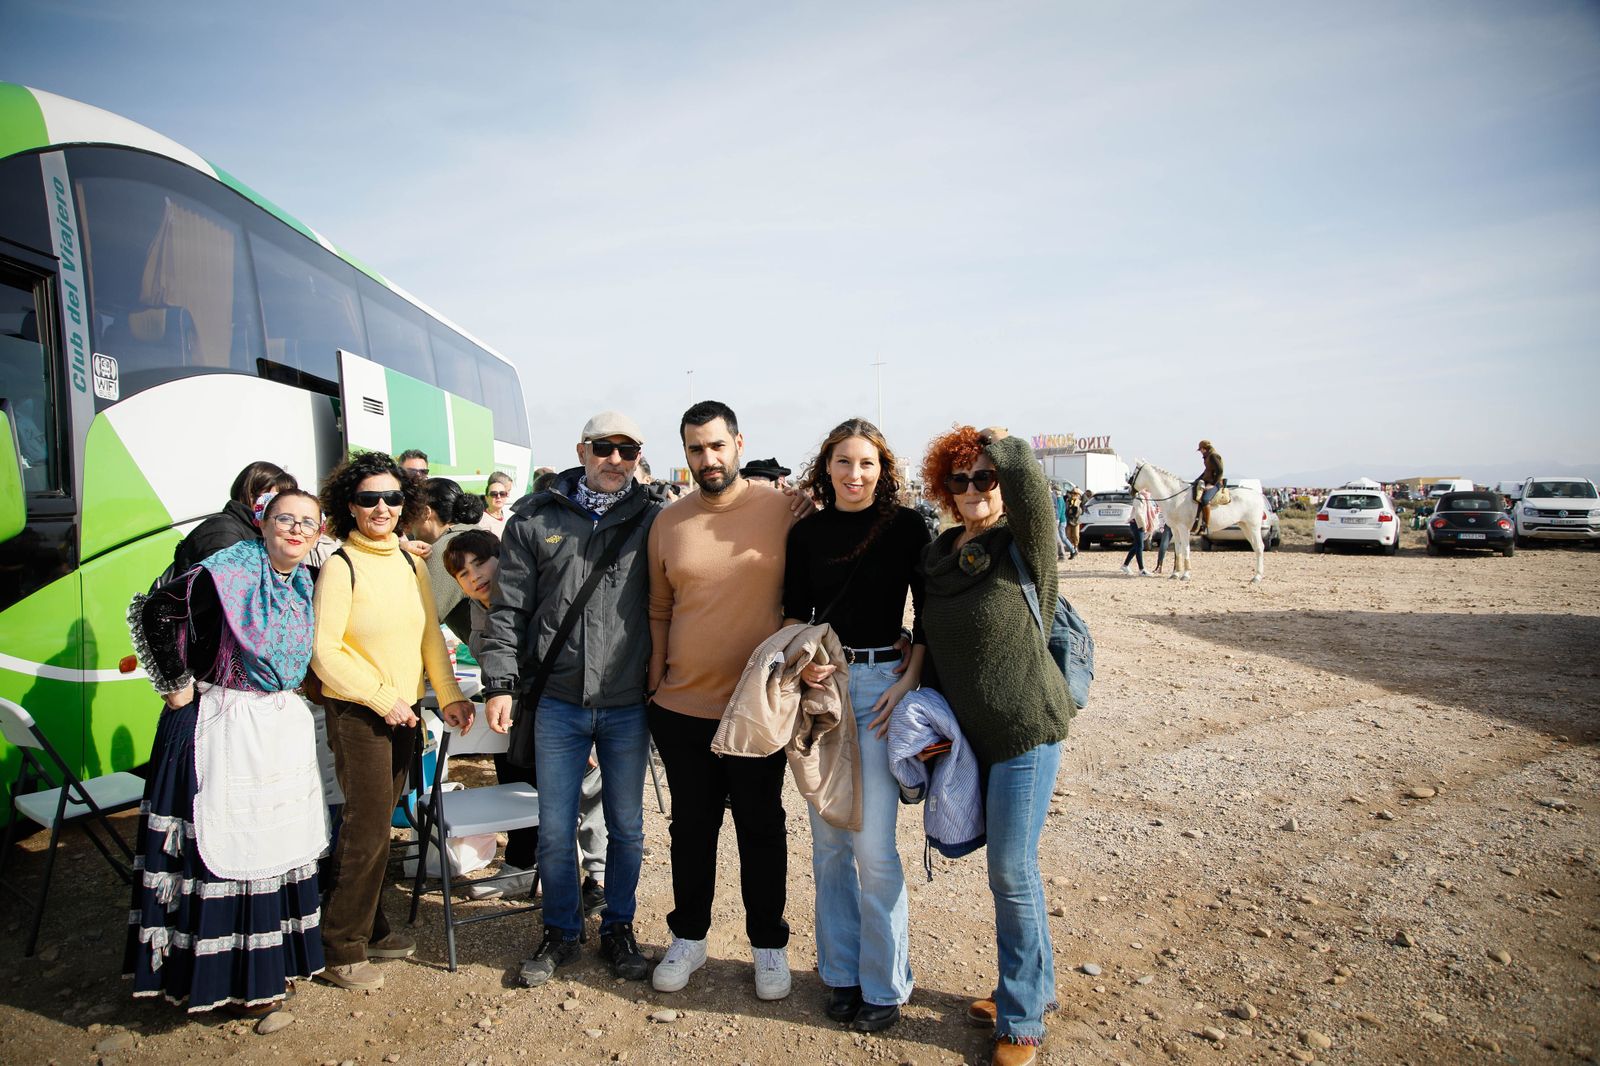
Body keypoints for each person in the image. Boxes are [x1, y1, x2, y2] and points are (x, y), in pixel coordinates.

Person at [125, 489, 329, 1015]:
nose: (297, 530)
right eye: (286, 519)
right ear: (263, 523)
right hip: (226, 722)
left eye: (308, 522)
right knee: (228, 844)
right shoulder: (228, 569)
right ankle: (217, 981)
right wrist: (174, 682)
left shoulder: (301, 578)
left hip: (275, 723)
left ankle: (266, 972)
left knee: (274, 841)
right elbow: (155, 610)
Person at [479, 411, 660, 987]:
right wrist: (501, 683)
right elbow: (507, 609)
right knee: (555, 829)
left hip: (628, 701)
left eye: (627, 450)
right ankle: (560, 930)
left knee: (627, 828)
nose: (615, 460)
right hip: (557, 701)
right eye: (604, 448)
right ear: (582, 450)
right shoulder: (535, 519)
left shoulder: (657, 518)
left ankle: (617, 928)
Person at [919, 425, 1074, 1066]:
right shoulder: (938, 554)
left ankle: (1022, 1018)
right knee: (1013, 871)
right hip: (971, 738)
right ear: (946, 490)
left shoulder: (1023, 546)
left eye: (987, 477)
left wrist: (999, 446)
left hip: (1025, 728)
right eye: (963, 478)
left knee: (1010, 870)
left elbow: (1036, 498)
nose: (976, 488)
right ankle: (1036, 986)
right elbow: (932, 640)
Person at [646, 400, 798, 1000]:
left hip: (757, 710)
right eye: (694, 449)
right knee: (692, 829)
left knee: (763, 829)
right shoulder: (669, 521)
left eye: (715, 446)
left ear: (738, 443)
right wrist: (657, 681)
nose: (706, 459)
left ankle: (769, 947)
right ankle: (689, 938)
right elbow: (660, 609)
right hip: (682, 709)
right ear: (684, 455)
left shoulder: (783, 509)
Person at [783, 418, 928, 1032]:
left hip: (879, 691)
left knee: (874, 847)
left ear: (882, 468)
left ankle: (885, 984)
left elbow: (930, 614)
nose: (854, 474)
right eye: (843, 462)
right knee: (830, 845)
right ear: (827, 467)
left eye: (866, 463)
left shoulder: (905, 527)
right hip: (824, 689)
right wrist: (804, 662)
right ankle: (839, 974)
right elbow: (792, 614)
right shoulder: (806, 532)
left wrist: (908, 680)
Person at [311, 451, 473, 992]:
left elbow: (430, 635)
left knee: (384, 825)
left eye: (392, 498)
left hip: (404, 713)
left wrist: (447, 695)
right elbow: (324, 653)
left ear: (406, 503)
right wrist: (384, 699)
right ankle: (341, 945)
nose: (381, 507)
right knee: (367, 828)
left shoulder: (409, 563)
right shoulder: (341, 565)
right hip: (360, 714)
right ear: (348, 506)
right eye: (367, 499)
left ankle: (373, 926)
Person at [168, 461, 298, 574]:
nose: (284, 508)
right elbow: (223, 590)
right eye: (277, 499)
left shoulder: (258, 531)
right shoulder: (223, 531)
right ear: (253, 494)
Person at [414, 477, 486, 640]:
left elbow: (420, 623)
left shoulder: (447, 551)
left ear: (426, 512)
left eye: (411, 511)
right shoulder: (477, 534)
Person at [1191, 440, 1224, 534]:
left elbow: (1220, 471)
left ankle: (1206, 526)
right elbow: (1206, 471)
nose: (1200, 452)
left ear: (1204, 449)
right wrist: (1196, 481)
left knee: (1205, 499)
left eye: (1200, 450)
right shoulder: (1208, 456)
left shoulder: (1213, 456)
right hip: (1208, 482)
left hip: (1216, 483)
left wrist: (1213, 484)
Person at [1121, 489, 1154, 576]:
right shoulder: (1139, 498)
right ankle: (1141, 569)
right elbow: (1138, 514)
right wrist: (1143, 526)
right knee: (1140, 546)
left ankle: (1125, 565)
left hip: (1138, 524)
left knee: (1137, 546)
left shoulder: (1145, 498)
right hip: (1137, 524)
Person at [479, 470, 515, 537]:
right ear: (486, 498)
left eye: (502, 493)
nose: (498, 496)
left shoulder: (505, 516)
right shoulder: (482, 522)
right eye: (494, 494)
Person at [1062, 488, 1087, 560]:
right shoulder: (1067, 501)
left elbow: (1081, 512)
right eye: (1072, 493)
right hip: (1068, 520)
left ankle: (1075, 547)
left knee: (1076, 535)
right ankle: (1071, 549)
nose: (1073, 495)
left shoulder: (1079, 502)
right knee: (1068, 535)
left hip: (1076, 521)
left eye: (1075, 494)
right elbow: (1065, 510)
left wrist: (1077, 507)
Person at [1149, 501, 1172, 575]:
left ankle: (1159, 566)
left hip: (1168, 521)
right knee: (1179, 545)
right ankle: (1177, 567)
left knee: (1164, 543)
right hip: (1176, 521)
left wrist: (1161, 525)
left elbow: (1161, 513)